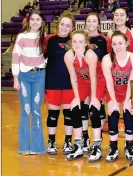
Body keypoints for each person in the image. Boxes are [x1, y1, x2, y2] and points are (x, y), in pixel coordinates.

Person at [64, 30, 106, 162]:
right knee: (74, 108)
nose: (77, 44)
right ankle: (78, 146)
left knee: (93, 110)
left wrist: (94, 97)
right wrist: (77, 97)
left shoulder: (90, 55)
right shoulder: (68, 56)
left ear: (86, 43)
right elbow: (73, 77)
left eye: (80, 41)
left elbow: (93, 78)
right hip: (82, 83)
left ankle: (97, 146)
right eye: (74, 41)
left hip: (98, 81)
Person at [102, 30, 133, 162]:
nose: (117, 47)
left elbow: (131, 81)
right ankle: (113, 147)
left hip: (128, 92)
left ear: (127, 43)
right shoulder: (107, 59)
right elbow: (109, 83)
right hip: (113, 92)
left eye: (120, 43)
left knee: (128, 114)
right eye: (114, 44)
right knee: (113, 115)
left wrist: (126, 101)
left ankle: (129, 146)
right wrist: (113, 101)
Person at [11, 11, 46, 155]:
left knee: (36, 111)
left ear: (42, 22)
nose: (35, 22)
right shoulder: (21, 37)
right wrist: (15, 78)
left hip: (39, 76)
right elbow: (15, 58)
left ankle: (38, 146)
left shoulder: (44, 38)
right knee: (25, 110)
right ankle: (24, 146)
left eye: (38, 19)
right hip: (24, 77)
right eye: (33, 19)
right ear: (28, 21)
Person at [44, 14, 76, 155]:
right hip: (52, 82)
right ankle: (51, 142)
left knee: (69, 114)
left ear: (72, 28)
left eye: (68, 25)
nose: (64, 27)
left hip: (70, 83)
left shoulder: (75, 42)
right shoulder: (49, 40)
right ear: (58, 24)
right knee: (53, 114)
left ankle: (68, 142)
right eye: (62, 24)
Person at [83, 13, 111, 150]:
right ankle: (84, 137)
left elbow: (109, 59)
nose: (91, 23)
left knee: (96, 108)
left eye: (94, 21)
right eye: (89, 21)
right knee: (84, 109)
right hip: (84, 79)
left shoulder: (104, 39)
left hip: (100, 79)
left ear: (98, 24)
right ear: (85, 23)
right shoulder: (81, 39)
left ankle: (97, 138)